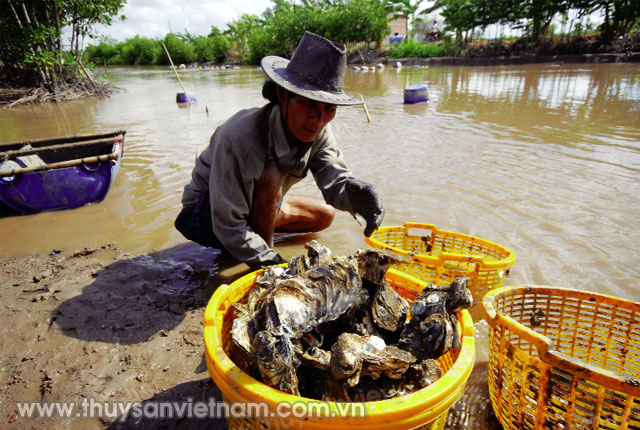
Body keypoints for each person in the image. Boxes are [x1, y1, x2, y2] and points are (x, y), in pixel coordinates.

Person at [175, 31, 384, 268]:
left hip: (253, 202)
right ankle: (260, 254)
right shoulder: (237, 139)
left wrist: (356, 195)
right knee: (270, 176)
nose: (319, 119)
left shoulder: (320, 128)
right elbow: (227, 223)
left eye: (329, 108)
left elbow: (335, 180)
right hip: (205, 212)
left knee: (325, 215)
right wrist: (273, 265)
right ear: (284, 95)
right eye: (309, 104)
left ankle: (258, 238)